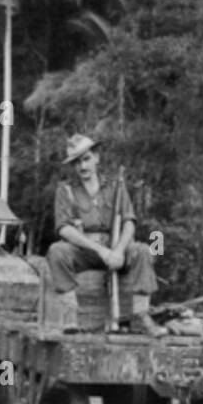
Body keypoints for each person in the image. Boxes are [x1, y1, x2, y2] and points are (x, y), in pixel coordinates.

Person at [46, 134, 163, 336]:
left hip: (115, 248)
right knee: (56, 251)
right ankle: (71, 315)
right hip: (85, 251)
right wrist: (100, 250)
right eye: (76, 162)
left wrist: (117, 251)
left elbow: (129, 222)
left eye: (86, 159)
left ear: (97, 157)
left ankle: (142, 315)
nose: (82, 167)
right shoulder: (65, 190)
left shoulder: (115, 186)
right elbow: (64, 229)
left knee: (143, 250)